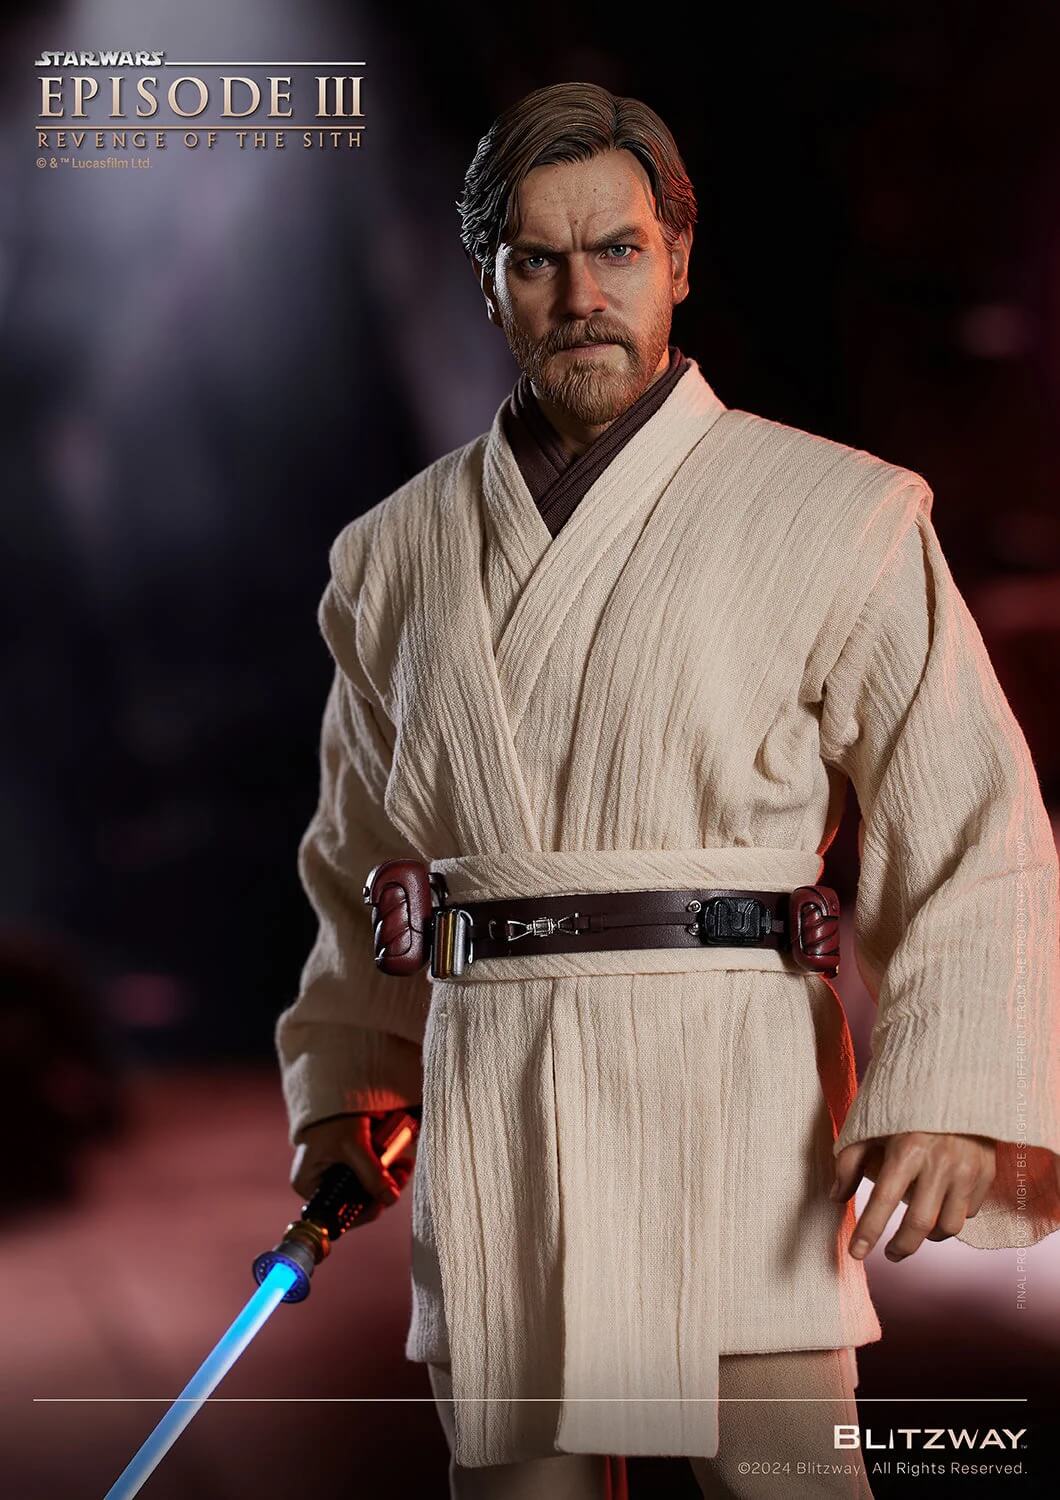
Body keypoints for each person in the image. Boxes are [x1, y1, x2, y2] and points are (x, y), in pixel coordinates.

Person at [275, 82, 1060, 1498]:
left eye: (618, 250)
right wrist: (349, 1082)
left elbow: (970, 817)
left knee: (787, 1479)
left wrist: (949, 1089)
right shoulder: (392, 558)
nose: (581, 295)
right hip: (502, 1097)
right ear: (489, 281)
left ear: (679, 259)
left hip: (738, 1099)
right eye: (537, 259)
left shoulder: (838, 512)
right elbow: (362, 861)